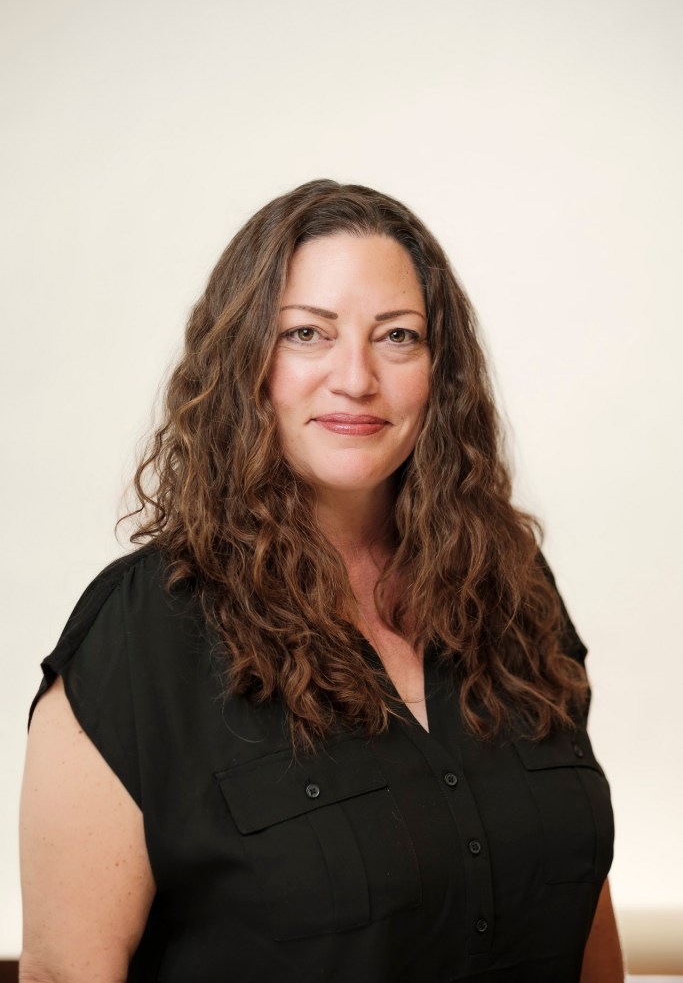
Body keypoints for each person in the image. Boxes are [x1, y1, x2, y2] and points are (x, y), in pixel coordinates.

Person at [19, 179, 623, 982]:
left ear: (440, 371)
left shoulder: (511, 589)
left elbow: (579, 894)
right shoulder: (138, 637)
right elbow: (67, 974)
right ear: (245, 364)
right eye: (307, 333)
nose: (356, 378)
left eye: (397, 336)